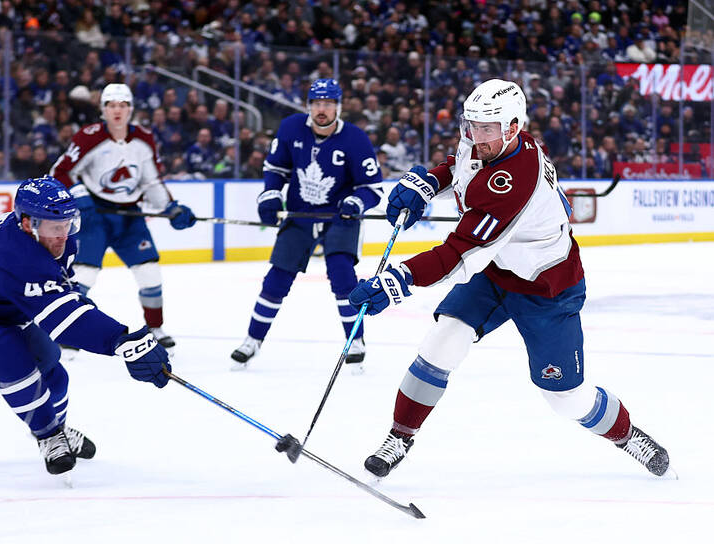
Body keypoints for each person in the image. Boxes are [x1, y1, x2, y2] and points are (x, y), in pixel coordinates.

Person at [349, 79, 671, 479]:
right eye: (472, 125)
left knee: (565, 400)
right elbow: (461, 166)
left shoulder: (513, 181)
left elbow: (457, 255)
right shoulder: (491, 139)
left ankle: (626, 435)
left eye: (486, 128)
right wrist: (430, 183)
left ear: (513, 128)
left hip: (546, 288)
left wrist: (397, 281)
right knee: (443, 341)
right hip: (497, 271)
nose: (476, 136)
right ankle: (400, 436)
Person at [0, 177, 172, 476]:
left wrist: (121, 339)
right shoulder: (14, 254)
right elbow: (63, 319)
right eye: (56, 227)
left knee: (51, 365)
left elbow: (64, 295)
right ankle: (49, 435)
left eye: (68, 224)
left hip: (2, 309)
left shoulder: (51, 237)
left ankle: (57, 430)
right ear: (28, 224)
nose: (64, 235)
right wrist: (122, 341)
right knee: (7, 347)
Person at [230, 78, 383, 370]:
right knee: (277, 278)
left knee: (342, 275)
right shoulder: (291, 128)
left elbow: (372, 188)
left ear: (338, 106)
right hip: (301, 214)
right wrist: (271, 195)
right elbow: (275, 168)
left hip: (340, 217)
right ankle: (252, 340)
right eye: (316, 103)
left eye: (327, 104)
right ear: (309, 105)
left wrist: (356, 202)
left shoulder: (355, 139)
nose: (321, 109)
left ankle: (356, 340)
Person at [50, 83, 196, 353]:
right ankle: (69, 332)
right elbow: (60, 172)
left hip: (130, 216)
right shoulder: (88, 136)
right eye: (111, 105)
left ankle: (155, 328)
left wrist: (170, 207)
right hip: (96, 215)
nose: (117, 111)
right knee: (84, 275)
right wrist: (80, 197)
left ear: (130, 109)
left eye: (122, 105)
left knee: (150, 273)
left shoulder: (144, 138)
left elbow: (151, 181)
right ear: (103, 110)